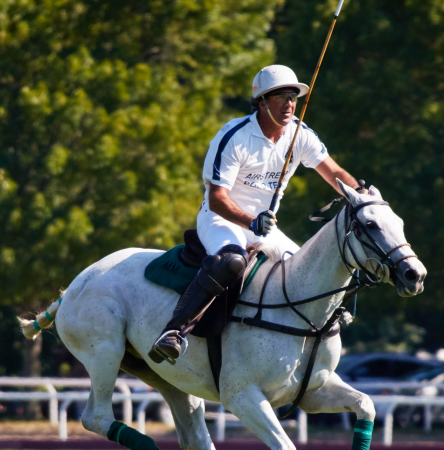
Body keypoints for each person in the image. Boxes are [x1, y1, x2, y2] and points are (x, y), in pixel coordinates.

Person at [150, 64, 364, 364]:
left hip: (264, 227)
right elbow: (217, 199)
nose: (290, 103)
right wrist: (250, 220)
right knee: (231, 261)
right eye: (281, 96)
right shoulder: (235, 136)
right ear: (262, 101)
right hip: (221, 220)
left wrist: (362, 196)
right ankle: (173, 332)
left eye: (294, 96)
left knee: (310, 266)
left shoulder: (299, 135)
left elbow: (334, 172)